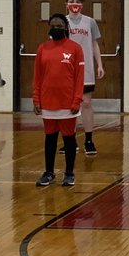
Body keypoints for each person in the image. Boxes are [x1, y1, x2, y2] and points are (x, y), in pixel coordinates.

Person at [32, 13, 85, 187]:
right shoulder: (42, 48)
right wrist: (36, 99)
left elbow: (79, 78)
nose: (56, 27)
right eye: (53, 25)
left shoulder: (75, 48)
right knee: (50, 138)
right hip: (47, 102)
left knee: (69, 138)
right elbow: (37, 77)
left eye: (59, 25)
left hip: (68, 103)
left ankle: (69, 173)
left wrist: (77, 100)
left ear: (65, 27)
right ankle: (49, 173)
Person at [64, 0, 103, 156]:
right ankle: (69, 140)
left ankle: (88, 139)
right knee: (68, 105)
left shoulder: (90, 22)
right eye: (72, 1)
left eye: (78, 1)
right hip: (66, 66)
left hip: (85, 67)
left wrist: (99, 64)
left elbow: (94, 44)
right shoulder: (62, 21)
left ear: (82, 4)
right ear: (66, 4)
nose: (75, 4)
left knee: (86, 103)